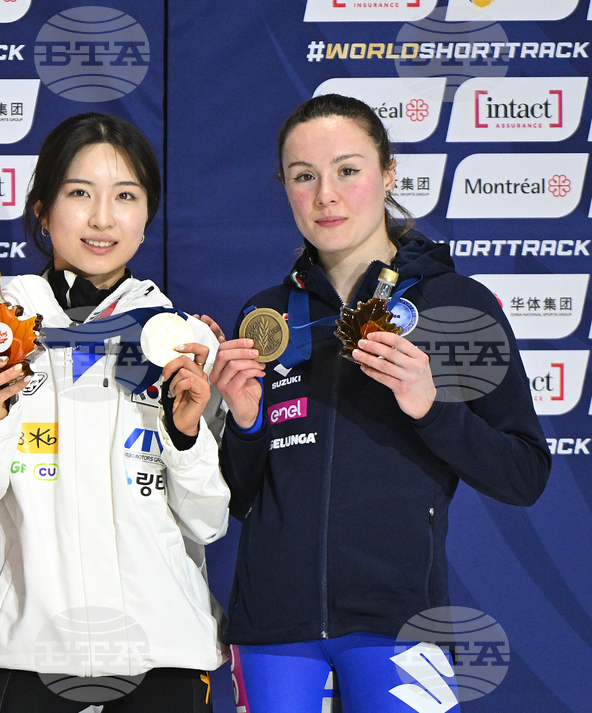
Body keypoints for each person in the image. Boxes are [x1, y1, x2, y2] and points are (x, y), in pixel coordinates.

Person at [206, 93, 551, 712]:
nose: (325, 196)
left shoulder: (456, 307)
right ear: (284, 185)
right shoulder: (266, 317)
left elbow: (524, 474)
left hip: (401, 624)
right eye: (303, 176)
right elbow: (239, 498)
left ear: (388, 173)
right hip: (274, 629)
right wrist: (248, 424)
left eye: (348, 170)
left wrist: (432, 407)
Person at [0, 112, 229, 713]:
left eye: (126, 196)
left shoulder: (181, 341)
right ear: (42, 211)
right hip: (30, 651)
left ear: (147, 217)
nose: (102, 218)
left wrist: (185, 431)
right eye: (79, 194)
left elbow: (207, 523)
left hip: (163, 651)